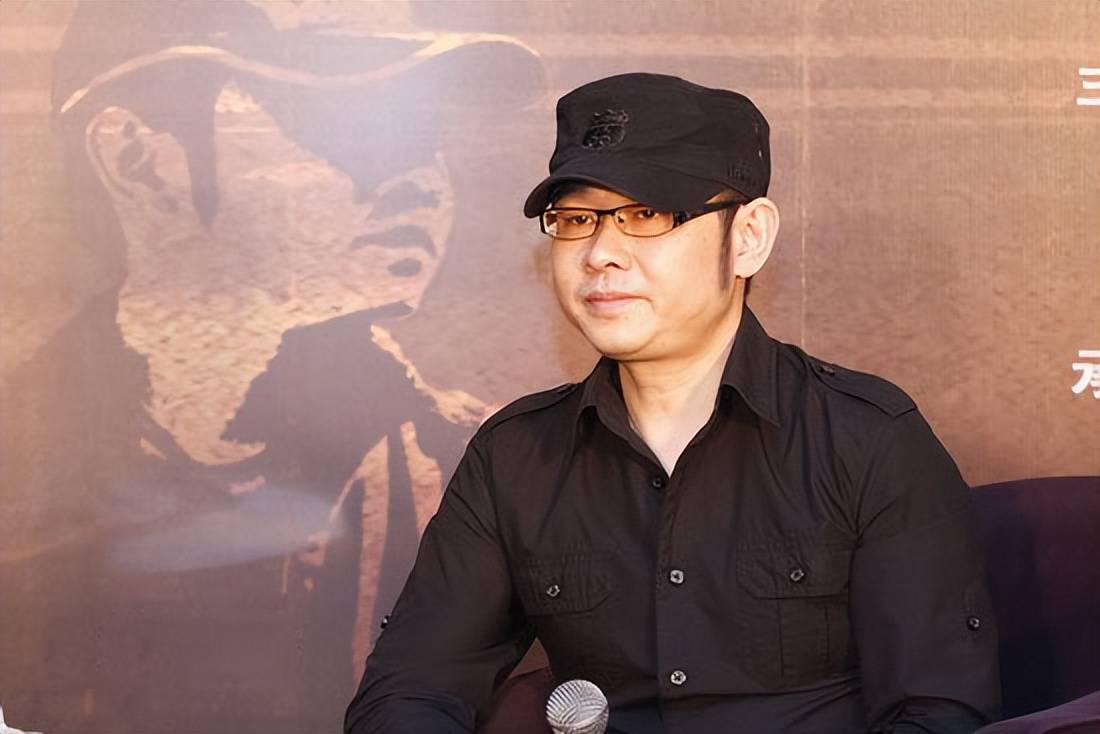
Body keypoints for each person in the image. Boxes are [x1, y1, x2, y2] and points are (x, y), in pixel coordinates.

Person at [346, 72, 1002, 733]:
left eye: (646, 215)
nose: (601, 253)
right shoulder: (516, 457)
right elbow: (408, 692)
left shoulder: (867, 438)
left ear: (748, 237)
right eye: (576, 219)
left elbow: (938, 710)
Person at [0, 3, 542, 732]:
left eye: (424, 132)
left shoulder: (471, 469)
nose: (419, 176)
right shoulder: (22, 449)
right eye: (340, 123)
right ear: (139, 162)